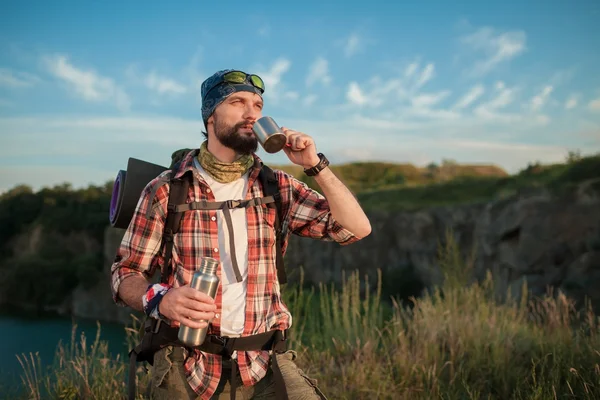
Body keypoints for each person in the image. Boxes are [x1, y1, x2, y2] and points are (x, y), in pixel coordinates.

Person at [110, 69, 372, 399]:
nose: (253, 113)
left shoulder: (277, 187)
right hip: (187, 363)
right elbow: (125, 273)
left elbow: (356, 228)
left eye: (258, 105)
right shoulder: (166, 190)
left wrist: (314, 165)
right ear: (210, 116)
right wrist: (161, 300)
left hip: (264, 361)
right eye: (238, 102)